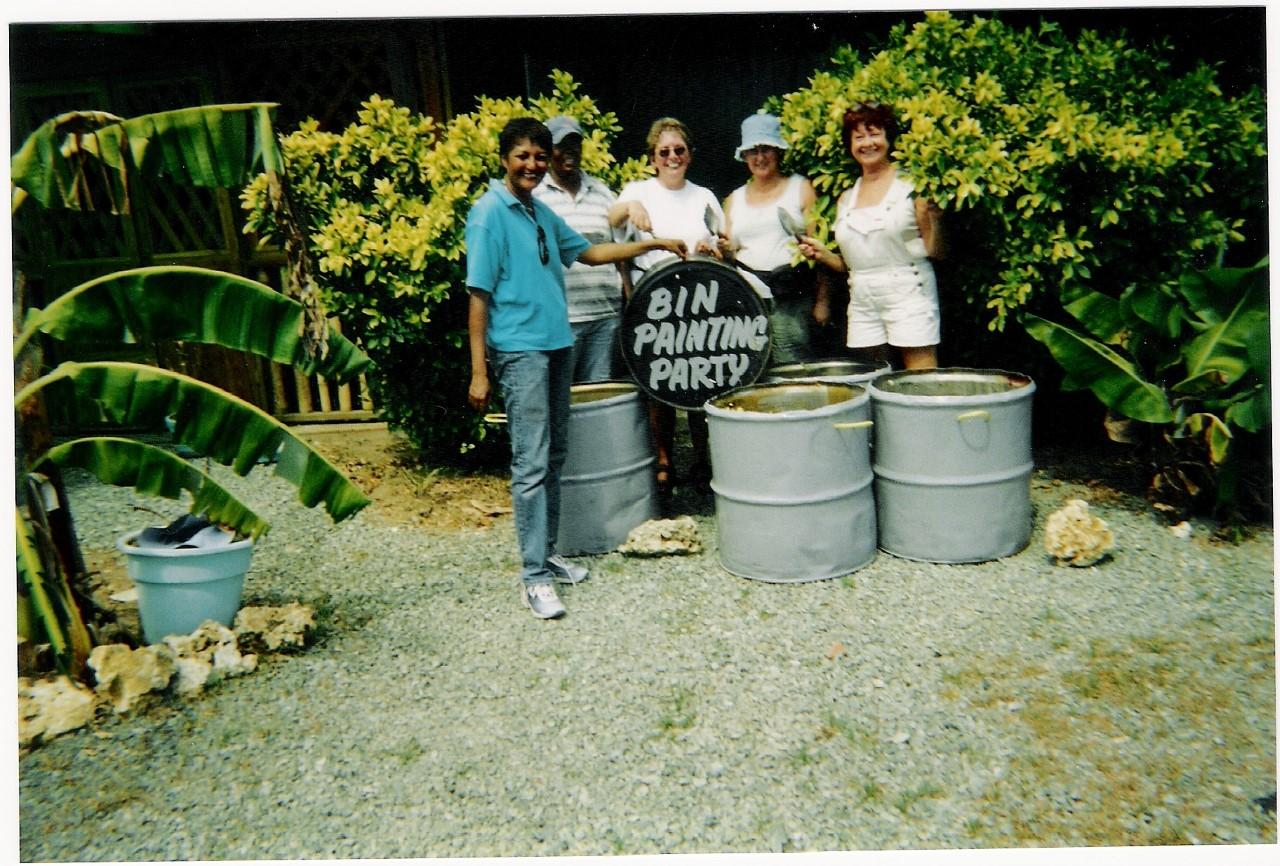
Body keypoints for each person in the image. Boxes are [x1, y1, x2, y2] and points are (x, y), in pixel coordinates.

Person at [467, 117, 686, 619]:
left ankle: (547, 554)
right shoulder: (488, 214)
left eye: (539, 157)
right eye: (523, 156)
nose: (533, 165)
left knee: (556, 454)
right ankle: (533, 575)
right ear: (505, 158)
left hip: (557, 344)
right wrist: (479, 370)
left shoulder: (539, 212)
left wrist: (652, 244)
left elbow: (590, 252)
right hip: (519, 351)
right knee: (531, 461)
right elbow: (478, 295)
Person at [609, 117, 723, 489]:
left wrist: (717, 249)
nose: (672, 157)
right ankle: (664, 459)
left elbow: (726, 242)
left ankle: (703, 460)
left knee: (701, 379)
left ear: (689, 155)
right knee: (659, 384)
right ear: (653, 158)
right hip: (652, 301)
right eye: (664, 152)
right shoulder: (637, 189)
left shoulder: (704, 195)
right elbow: (610, 220)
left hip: (700, 304)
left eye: (679, 150)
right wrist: (630, 208)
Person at [798, 101, 944, 370]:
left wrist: (934, 218)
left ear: (888, 138)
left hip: (910, 291)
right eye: (858, 137)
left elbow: (936, 252)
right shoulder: (846, 199)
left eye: (874, 133)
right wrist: (822, 253)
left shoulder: (911, 187)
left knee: (922, 377)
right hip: (863, 297)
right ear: (850, 145)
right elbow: (850, 265)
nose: (867, 143)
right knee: (875, 375)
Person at [720, 112, 829, 366]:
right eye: (753, 150)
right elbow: (729, 253)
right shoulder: (734, 199)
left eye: (766, 149)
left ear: (778, 151)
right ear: (744, 156)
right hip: (747, 301)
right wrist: (723, 249)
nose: (760, 157)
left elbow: (820, 250)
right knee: (752, 368)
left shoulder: (800, 188)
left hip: (791, 300)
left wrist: (823, 301)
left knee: (792, 368)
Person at [533, 115, 632, 383]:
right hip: (559, 321)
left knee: (598, 401)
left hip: (604, 318)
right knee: (562, 400)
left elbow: (618, 252)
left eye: (575, 144)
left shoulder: (602, 192)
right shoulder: (535, 196)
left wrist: (628, 299)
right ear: (548, 151)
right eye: (561, 145)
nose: (570, 152)